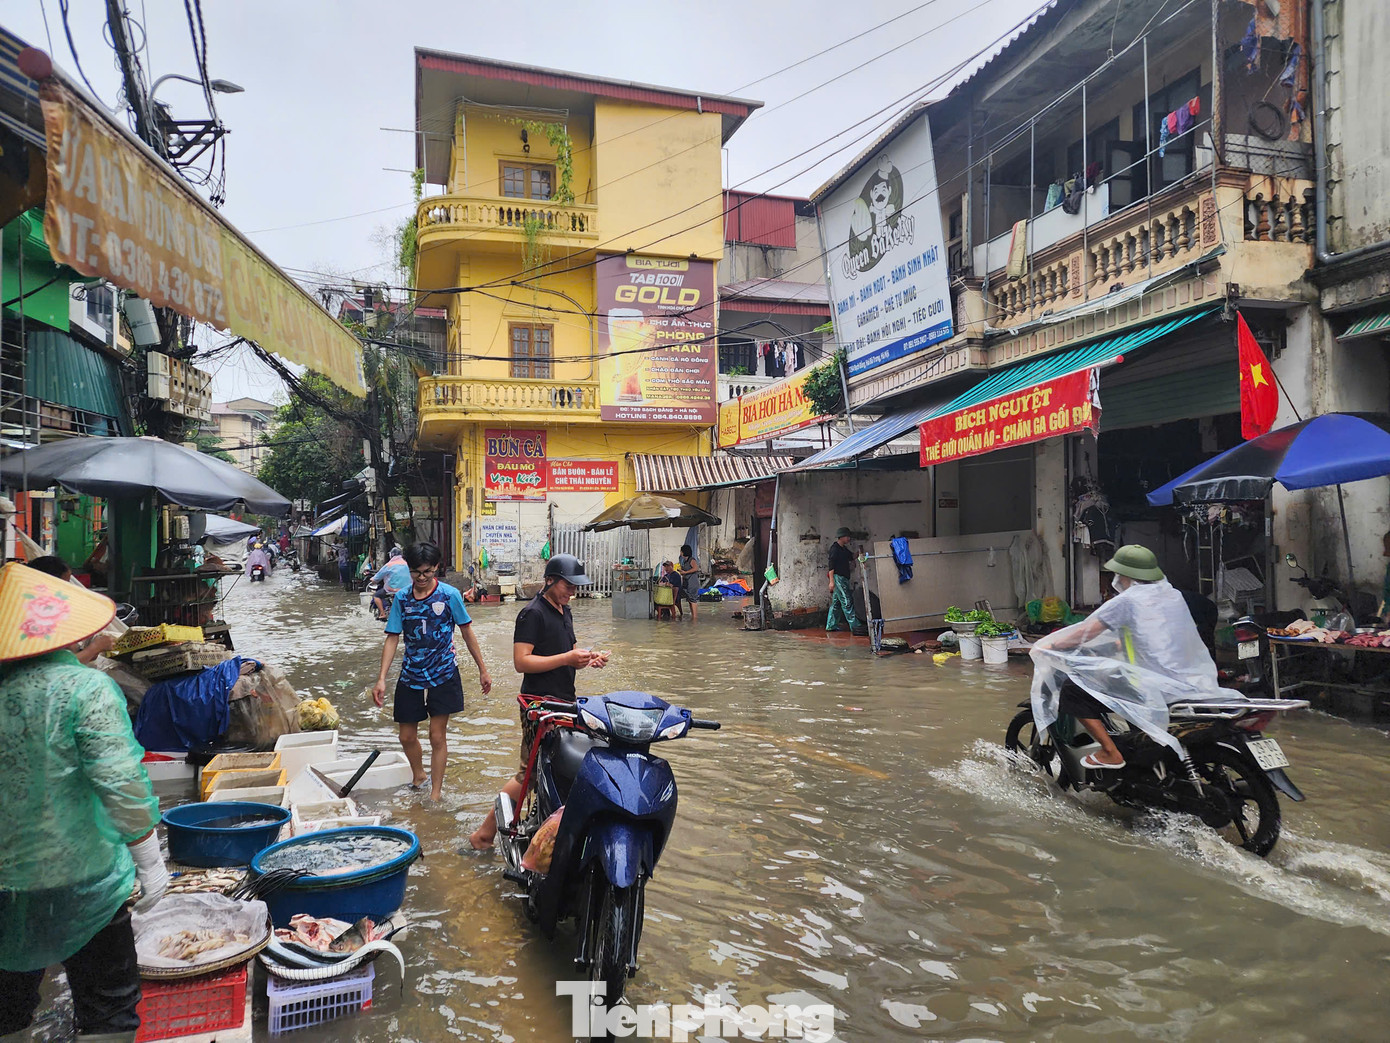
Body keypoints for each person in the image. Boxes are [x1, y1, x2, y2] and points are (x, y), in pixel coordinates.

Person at [0, 562, 168, 1040]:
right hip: (84, 880)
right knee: (107, 1007)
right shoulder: (84, 688)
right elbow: (119, 780)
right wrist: (148, 856)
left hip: (5, 887)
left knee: (7, 1009)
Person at [1030, 544, 1227, 769]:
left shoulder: (1129, 600)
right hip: (1191, 680)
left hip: (1153, 682)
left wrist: (1049, 645)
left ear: (1125, 575)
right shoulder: (1171, 595)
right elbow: (1154, 634)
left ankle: (1110, 752)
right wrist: (1116, 644)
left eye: (1118, 573)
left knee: (1072, 693)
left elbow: (1084, 633)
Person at [468, 553, 608, 849]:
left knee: (563, 768)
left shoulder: (564, 610)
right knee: (529, 774)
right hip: (538, 705)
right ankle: (483, 834)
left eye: (575, 586)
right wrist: (568, 658)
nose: (572, 591)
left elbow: (567, 650)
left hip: (564, 702)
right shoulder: (532, 613)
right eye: (567, 585)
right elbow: (522, 662)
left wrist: (586, 658)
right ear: (550, 581)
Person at [371, 542, 492, 801]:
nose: (422, 578)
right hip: (411, 673)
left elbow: (467, 631)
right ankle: (419, 776)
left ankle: (435, 794)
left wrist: (483, 669)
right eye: (416, 572)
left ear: (436, 568)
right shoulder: (402, 598)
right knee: (406, 735)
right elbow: (392, 637)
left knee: (437, 735)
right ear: (409, 570)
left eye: (427, 572)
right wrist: (381, 679)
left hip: (444, 672)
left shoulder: (450, 596)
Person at [23, 556, 115, 664]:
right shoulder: (36, 619)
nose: (68, 588)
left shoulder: (46, 611)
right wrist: (94, 648)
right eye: (64, 583)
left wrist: (89, 652)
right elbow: (60, 666)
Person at [826, 527, 866, 634]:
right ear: (842, 537)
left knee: (836, 603)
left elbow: (851, 556)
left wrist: (859, 552)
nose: (849, 538)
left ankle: (831, 625)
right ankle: (856, 626)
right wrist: (831, 581)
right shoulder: (835, 549)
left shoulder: (843, 549)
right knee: (847, 601)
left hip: (844, 578)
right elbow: (831, 566)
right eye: (847, 536)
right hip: (838, 578)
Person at [369, 549, 410, 619]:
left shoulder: (389, 565)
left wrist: (372, 580)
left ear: (391, 555)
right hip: (408, 589)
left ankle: (382, 614)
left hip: (391, 590)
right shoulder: (407, 564)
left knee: (377, 596)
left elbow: (376, 578)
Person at [676, 543, 701, 621]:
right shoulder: (685, 561)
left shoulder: (691, 560)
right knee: (690, 600)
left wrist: (685, 573)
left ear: (684, 552)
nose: (680, 553)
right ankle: (693, 617)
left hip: (692, 583)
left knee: (693, 600)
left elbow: (696, 568)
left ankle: (695, 618)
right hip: (687, 583)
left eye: (681, 551)